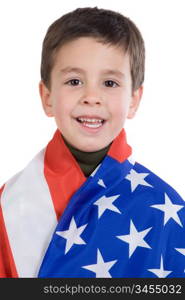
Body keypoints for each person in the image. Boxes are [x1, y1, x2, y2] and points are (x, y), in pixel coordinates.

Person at [0, 7, 184, 278]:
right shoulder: (9, 204)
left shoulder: (163, 207)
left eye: (109, 83)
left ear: (133, 100)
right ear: (47, 97)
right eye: (74, 81)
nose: (92, 96)